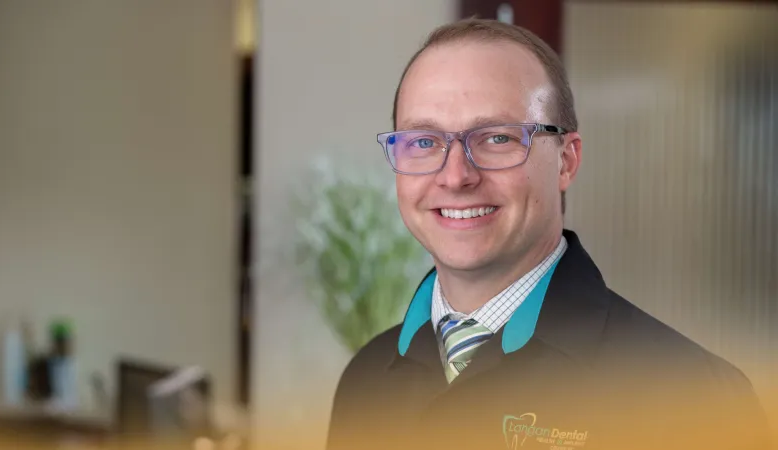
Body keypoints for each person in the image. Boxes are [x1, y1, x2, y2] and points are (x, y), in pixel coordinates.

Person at [325, 18, 771, 450]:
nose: (456, 176)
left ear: (566, 160)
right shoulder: (364, 381)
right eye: (424, 142)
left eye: (497, 138)